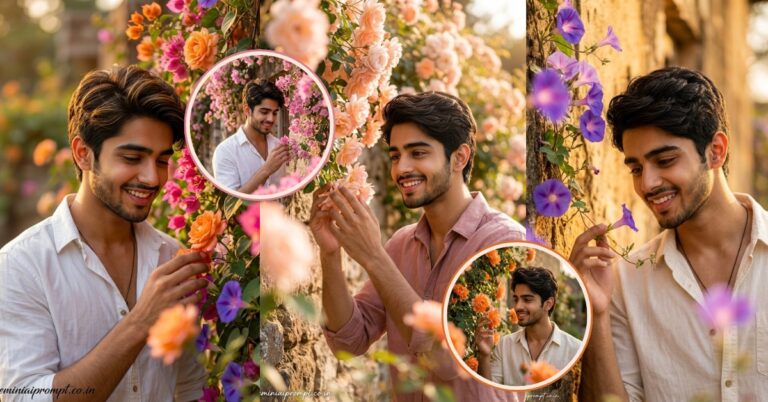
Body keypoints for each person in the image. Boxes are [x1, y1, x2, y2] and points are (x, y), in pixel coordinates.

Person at [0, 65, 208, 401]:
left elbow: (188, 389)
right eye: (131, 157)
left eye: (161, 160)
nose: (152, 178)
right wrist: (140, 322)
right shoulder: (21, 266)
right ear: (83, 153)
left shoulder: (172, 258)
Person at [309, 91, 526, 401]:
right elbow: (349, 341)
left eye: (418, 153)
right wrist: (330, 253)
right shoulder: (401, 244)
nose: (401, 169)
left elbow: (449, 360)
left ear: (459, 158)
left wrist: (373, 256)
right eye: (396, 155)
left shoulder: (502, 242)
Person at [570, 67, 768, 401]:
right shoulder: (626, 283)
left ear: (715, 150)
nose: (647, 184)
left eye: (665, 160)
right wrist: (597, 314)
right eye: (636, 169)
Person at [476, 267, 582, 386]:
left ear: (548, 304)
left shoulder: (576, 350)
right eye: (516, 299)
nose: (518, 307)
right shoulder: (504, 345)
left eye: (527, 299)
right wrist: (484, 355)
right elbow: (488, 393)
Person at [212, 79, 289, 193]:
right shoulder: (225, 151)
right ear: (247, 110)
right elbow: (231, 203)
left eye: (274, 113)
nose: (271, 119)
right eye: (264, 112)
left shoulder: (278, 146)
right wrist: (266, 170)